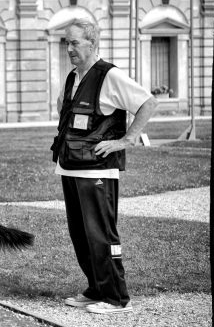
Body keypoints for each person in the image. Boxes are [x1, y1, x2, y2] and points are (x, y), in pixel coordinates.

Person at [51, 18, 158, 314]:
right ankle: (96, 287)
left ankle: (116, 297)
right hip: (70, 166)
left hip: (97, 170)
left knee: (100, 234)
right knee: (81, 234)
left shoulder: (109, 75)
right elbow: (65, 110)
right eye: (66, 43)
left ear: (92, 42)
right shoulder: (73, 76)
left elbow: (148, 102)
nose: (69, 48)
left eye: (74, 42)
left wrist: (127, 140)